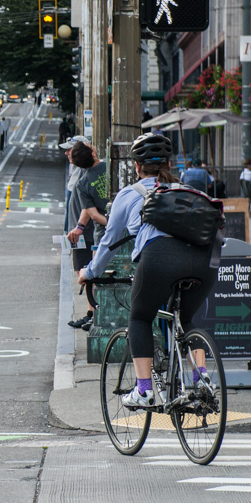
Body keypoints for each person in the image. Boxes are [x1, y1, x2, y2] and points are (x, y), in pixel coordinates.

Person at [79, 133, 219, 408]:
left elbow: (108, 242)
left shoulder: (130, 194)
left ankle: (144, 390)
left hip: (159, 258)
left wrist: (90, 272)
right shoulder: (192, 191)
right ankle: (202, 381)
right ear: (170, 164)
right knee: (187, 320)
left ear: (137, 167)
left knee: (140, 317)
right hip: (205, 262)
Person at [65, 142, 109, 330]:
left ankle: (96, 315)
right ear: (92, 152)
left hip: (101, 232)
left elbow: (92, 213)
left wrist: (111, 224)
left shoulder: (83, 183)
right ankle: (96, 314)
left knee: (96, 273)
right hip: (124, 226)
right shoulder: (111, 166)